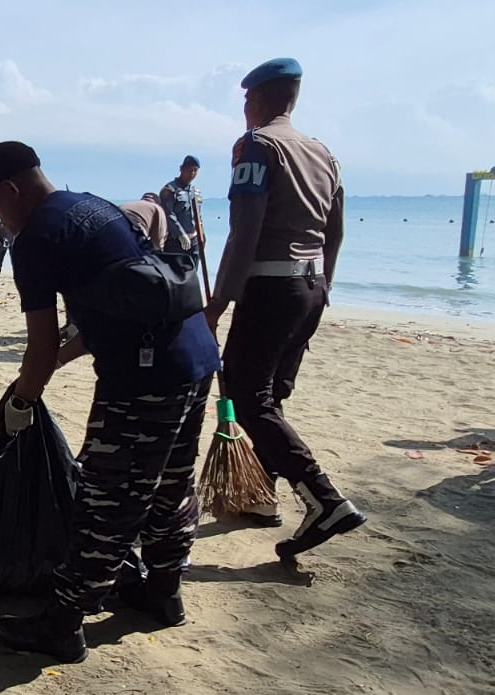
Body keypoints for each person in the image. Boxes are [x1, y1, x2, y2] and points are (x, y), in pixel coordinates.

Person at [0, 141, 220, 663]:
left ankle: (64, 623)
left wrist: (21, 403)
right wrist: (55, 362)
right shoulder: (93, 205)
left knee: (108, 497)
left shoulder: (34, 239)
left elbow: (39, 341)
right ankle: (163, 593)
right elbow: (100, 316)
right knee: (170, 483)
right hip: (194, 355)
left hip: (143, 377)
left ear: (11, 190)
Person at [203, 58, 366, 556]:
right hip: (311, 289)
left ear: (257, 99)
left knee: (251, 399)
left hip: (270, 290)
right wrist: (326, 285)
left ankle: (323, 497)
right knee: (272, 396)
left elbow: (245, 229)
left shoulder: (257, 145)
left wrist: (217, 304)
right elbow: (335, 232)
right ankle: (262, 495)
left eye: (246, 100)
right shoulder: (323, 152)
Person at [159, 156, 203, 253]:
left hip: (194, 241)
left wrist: (202, 235)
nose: (192, 173)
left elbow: (198, 217)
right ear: (181, 169)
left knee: (194, 267)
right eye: (189, 170)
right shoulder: (170, 189)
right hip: (175, 242)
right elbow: (168, 214)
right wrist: (181, 234)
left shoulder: (196, 192)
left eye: (195, 170)